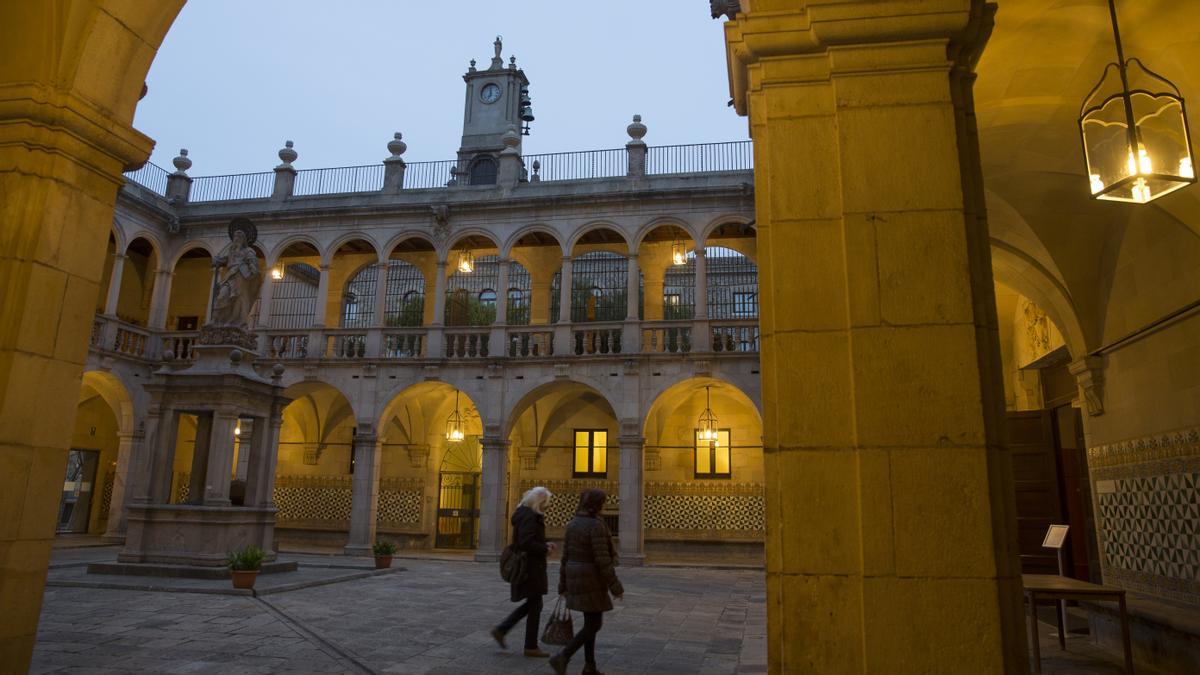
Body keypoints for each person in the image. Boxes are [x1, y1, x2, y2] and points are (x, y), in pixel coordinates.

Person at [549, 488, 623, 675]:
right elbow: (602, 559)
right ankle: (563, 656)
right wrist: (615, 586)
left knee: (590, 621)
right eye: (602, 502)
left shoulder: (573, 523)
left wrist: (562, 584)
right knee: (594, 624)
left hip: (575, 576)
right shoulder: (596, 525)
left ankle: (589, 666)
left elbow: (565, 556)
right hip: (591, 579)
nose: (604, 505)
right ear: (597, 505)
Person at [491, 486, 556, 657]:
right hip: (530, 567)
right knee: (535, 604)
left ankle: (505, 631)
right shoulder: (529, 516)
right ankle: (528, 645)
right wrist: (544, 549)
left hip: (530, 565)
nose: (545, 507)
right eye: (544, 504)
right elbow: (526, 541)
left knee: (534, 604)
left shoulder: (524, 514)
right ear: (538, 502)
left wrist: (545, 543)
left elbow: (529, 538)